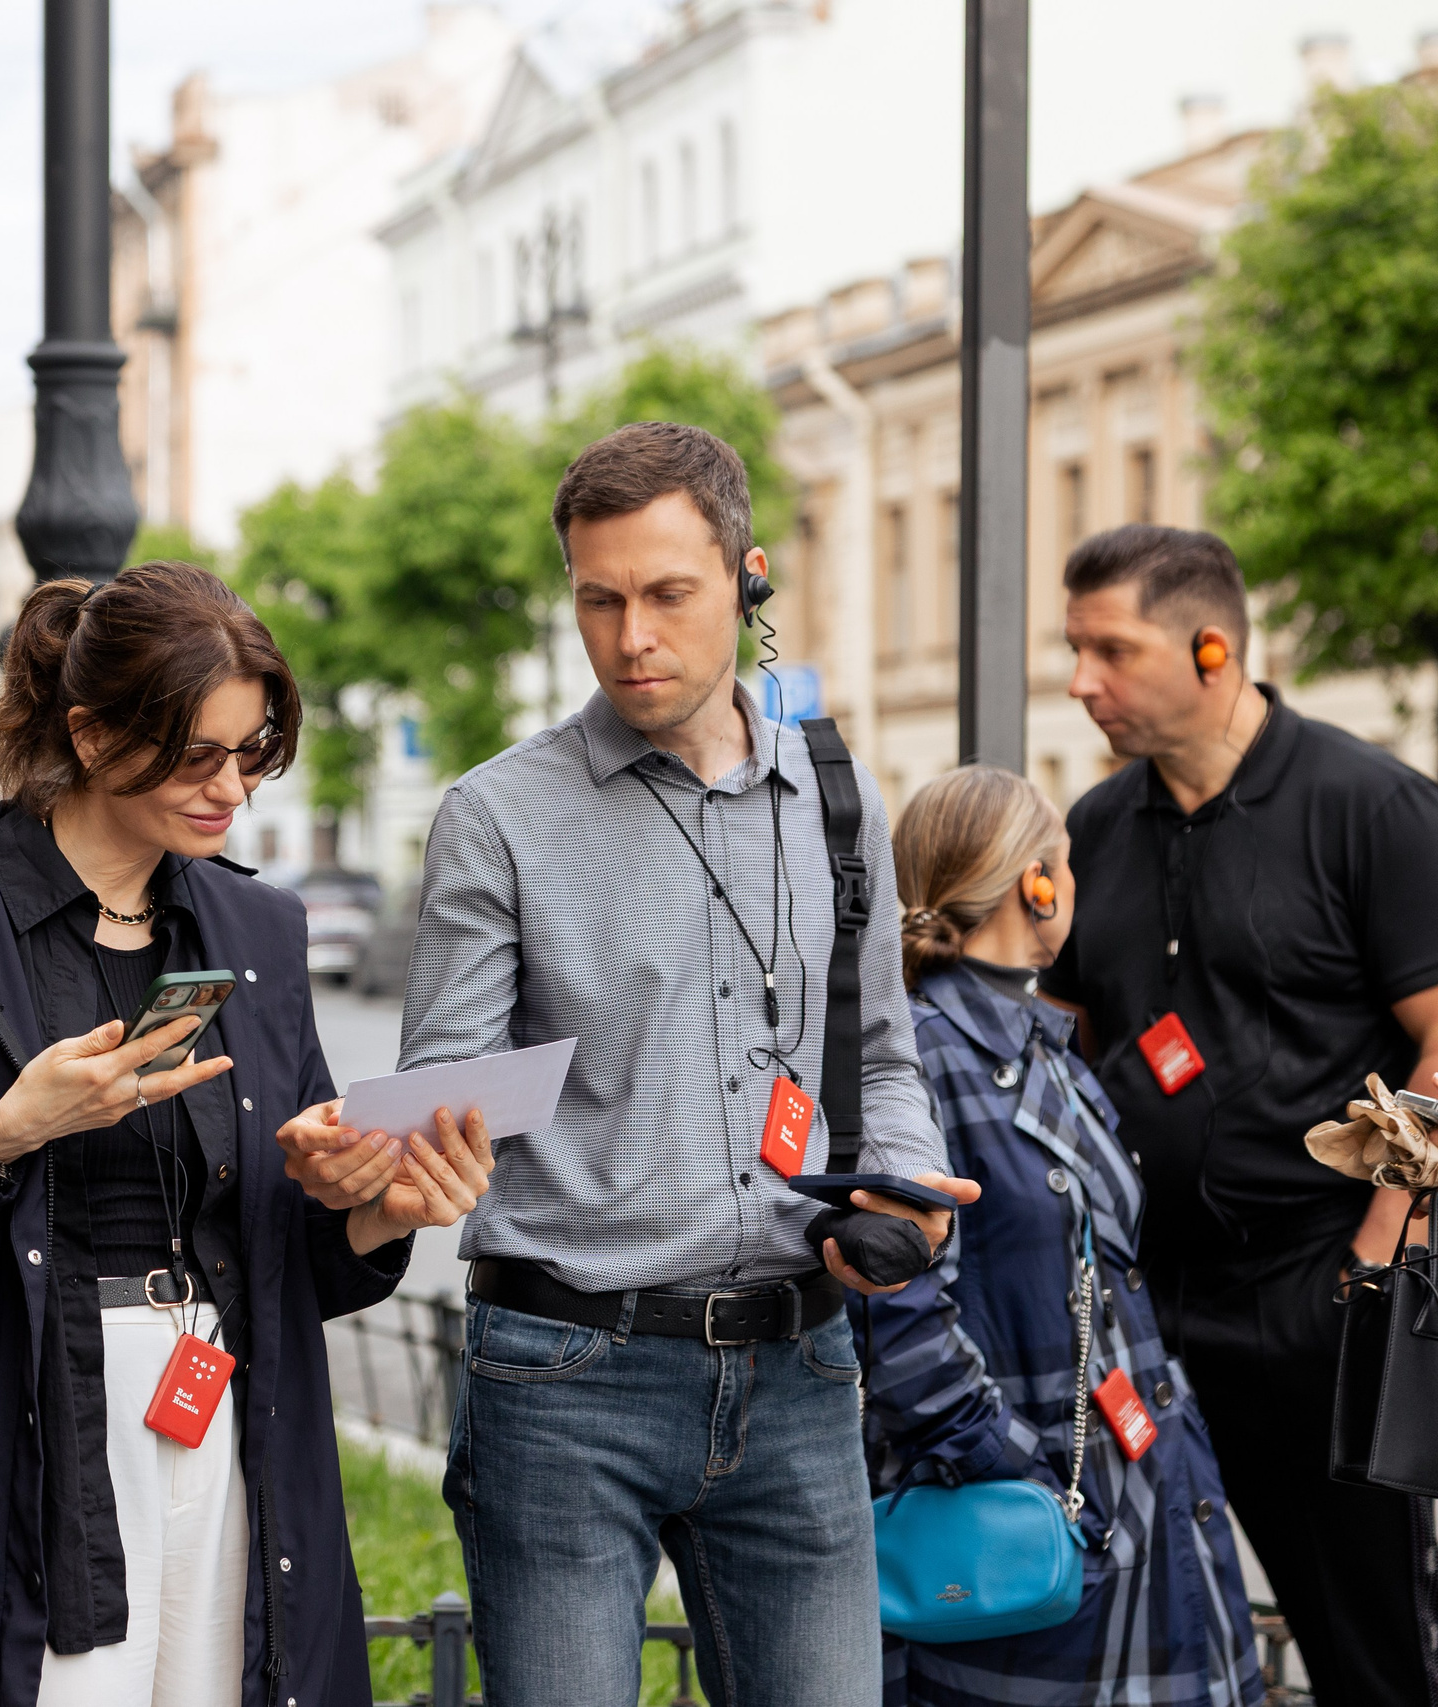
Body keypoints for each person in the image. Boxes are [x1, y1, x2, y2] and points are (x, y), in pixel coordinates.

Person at [0, 560, 493, 1707]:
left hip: (224, 1419)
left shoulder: (252, 925)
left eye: (249, 754)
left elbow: (284, 1243)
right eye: (199, 755)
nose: (230, 789)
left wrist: (365, 1206)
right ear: (93, 736)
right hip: (15, 1432)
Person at [381, 421, 973, 1706]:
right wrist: (387, 1148)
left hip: (804, 1369)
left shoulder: (835, 792)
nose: (630, 637)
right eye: (599, 601)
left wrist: (907, 1193)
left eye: (665, 595)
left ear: (748, 579)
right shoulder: (498, 814)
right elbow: (442, 1098)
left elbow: (876, 1052)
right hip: (562, 1375)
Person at [1046, 523, 1438, 1705]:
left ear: (1212, 648)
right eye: (1073, 650)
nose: (1079, 682)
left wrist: (1374, 1261)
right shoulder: (1094, 828)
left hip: (1320, 1290)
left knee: (1364, 1641)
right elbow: (1070, 1040)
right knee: (1137, 1635)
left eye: (1109, 650)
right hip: (1142, 1305)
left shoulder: (1369, 806)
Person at [866, 763, 1265, 1705]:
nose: (1073, 886)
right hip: (1032, 1523)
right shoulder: (927, 1054)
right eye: (1067, 866)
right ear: (1037, 884)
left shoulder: (1043, 1039)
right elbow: (897, 1309)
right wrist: (1021, 1471)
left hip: (1132, 1490)